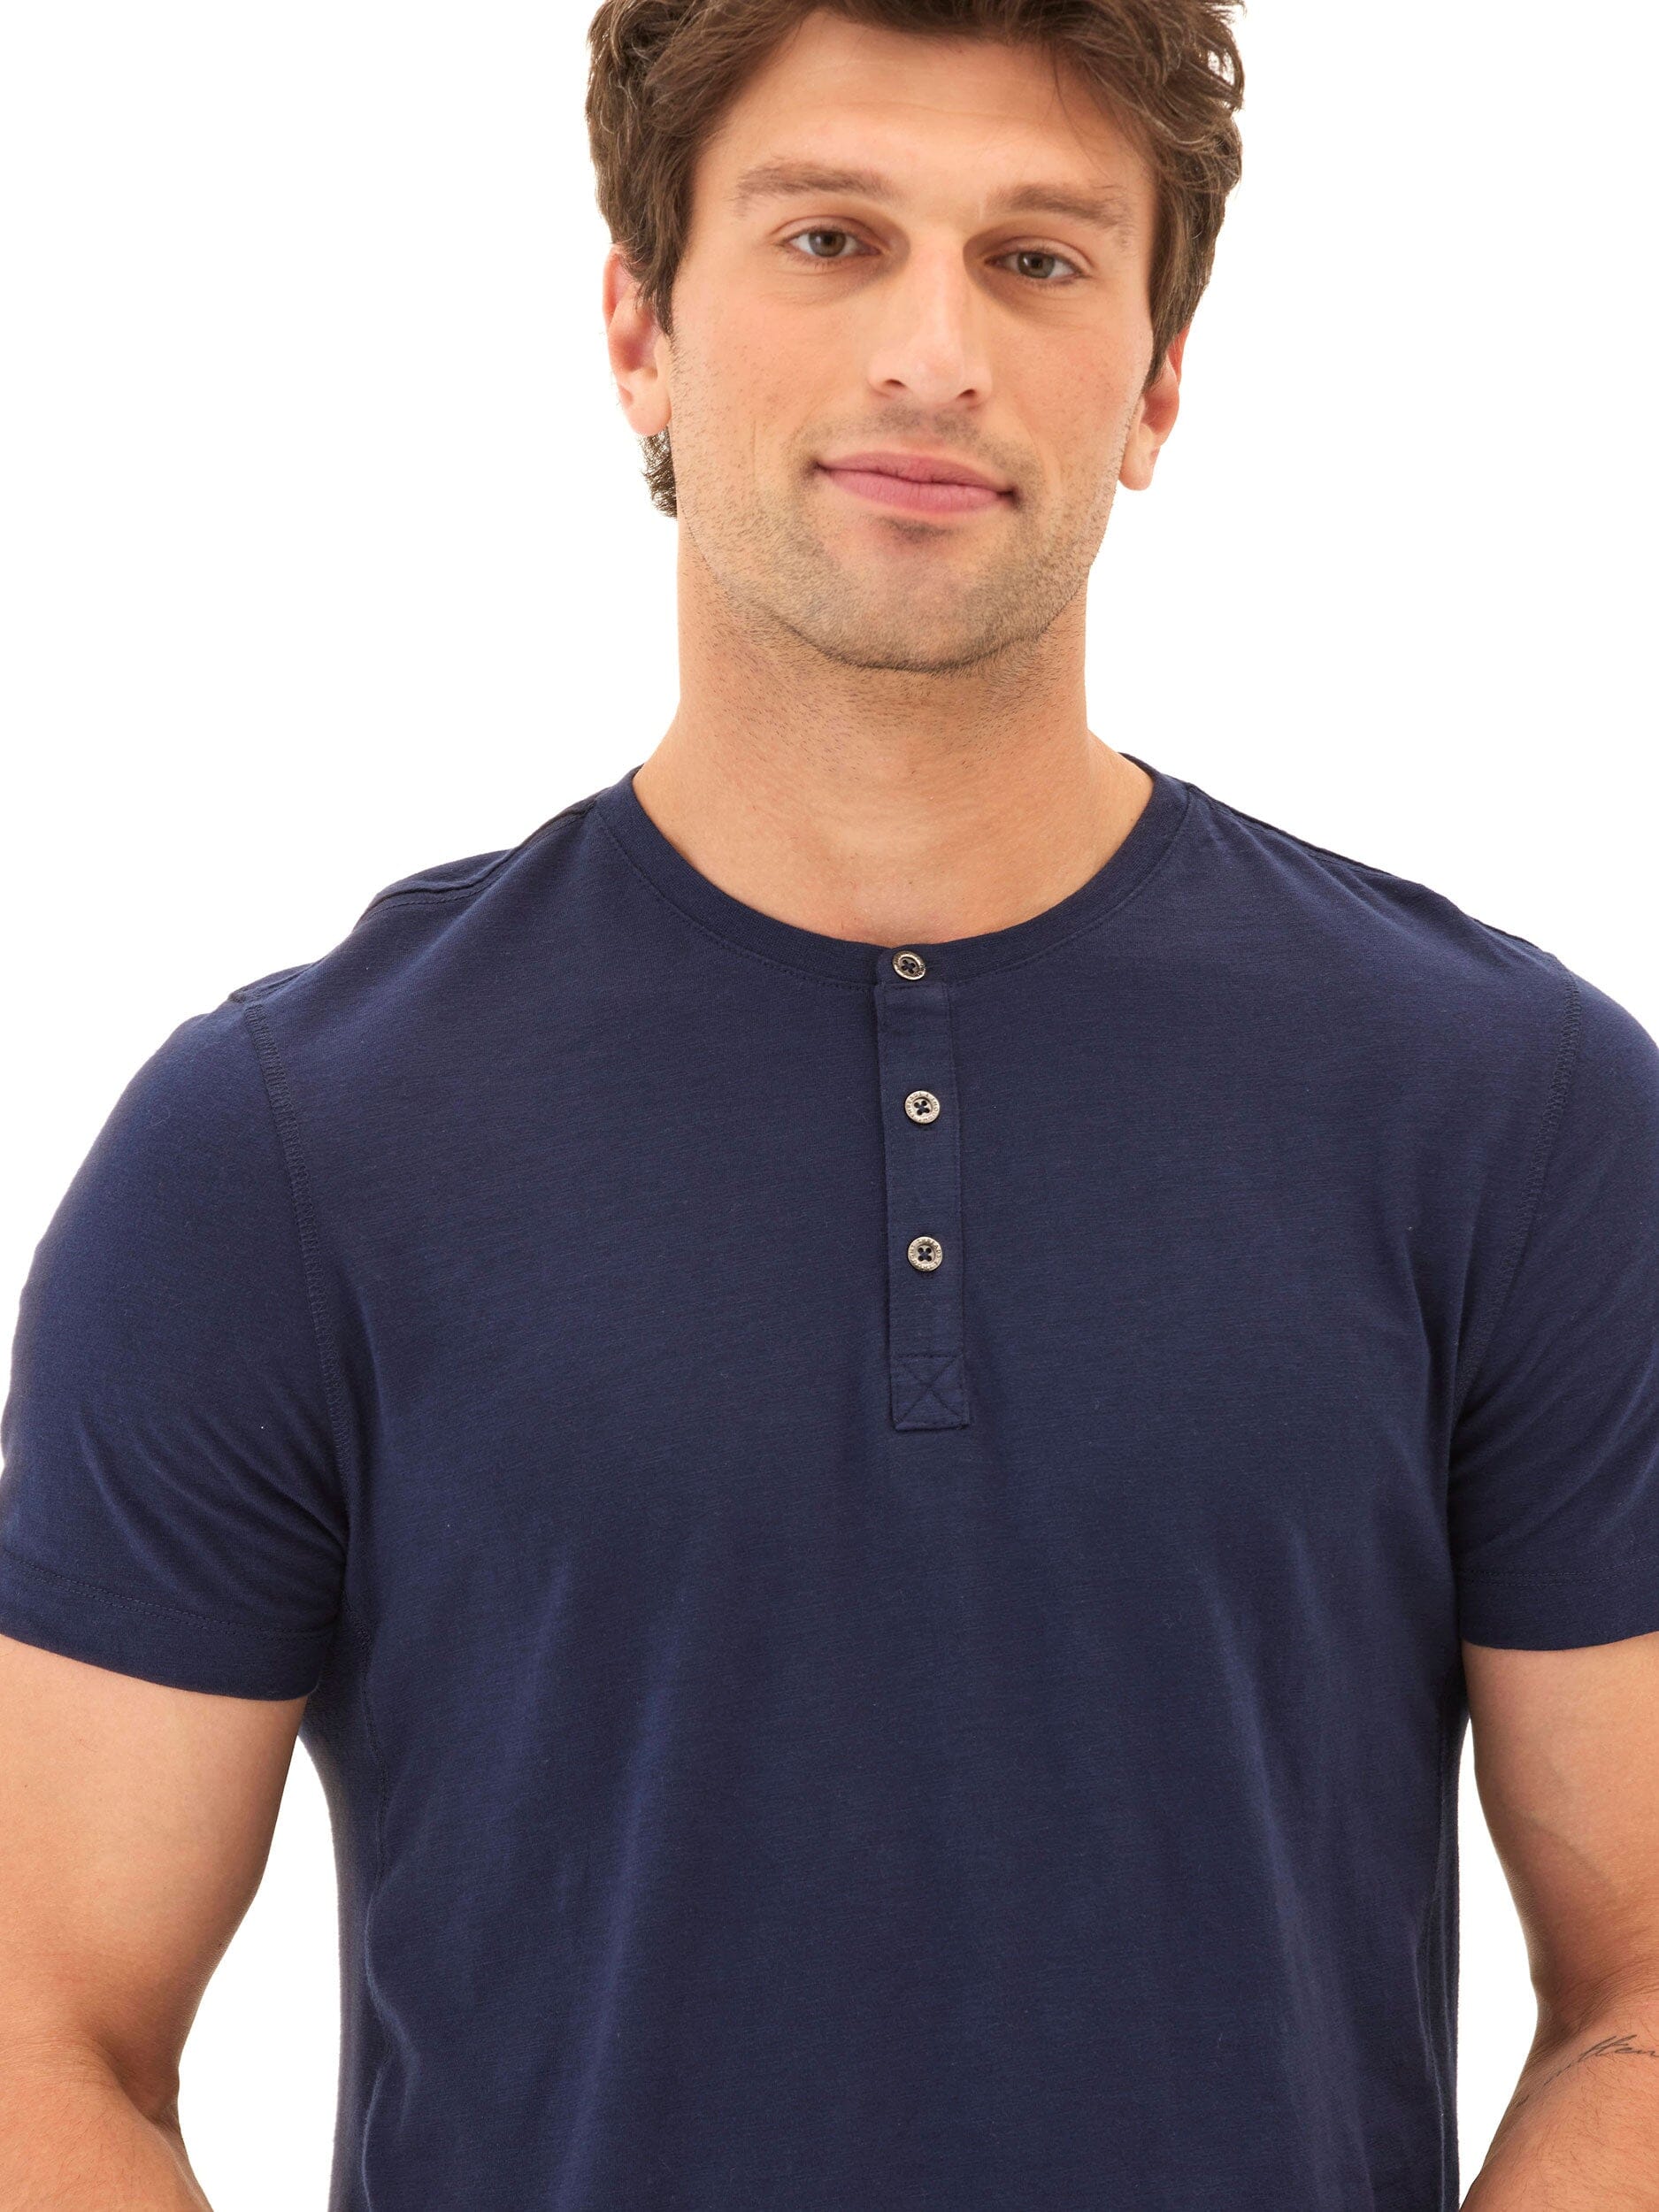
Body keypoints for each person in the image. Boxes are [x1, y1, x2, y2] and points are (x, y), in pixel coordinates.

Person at [2, 2, 1656, 2205]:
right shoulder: (279, 1149)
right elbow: (48, 2027)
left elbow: (1640, 1984)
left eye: (1036, 259)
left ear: (1155, 381)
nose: (931, 352)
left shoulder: (1511, 1109)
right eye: (827, 239)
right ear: (639, 331)